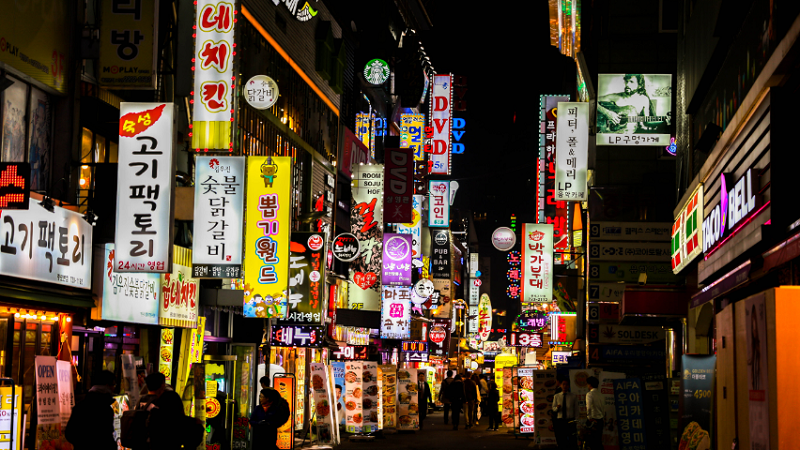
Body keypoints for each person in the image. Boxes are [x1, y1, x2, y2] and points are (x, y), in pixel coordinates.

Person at [597, 74, 668, 134]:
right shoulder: (615, 97)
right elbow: (593, 101)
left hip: (630, 135)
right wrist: (607, 113)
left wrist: (663, 120)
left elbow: (647, 122)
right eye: (626, 81)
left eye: (631, 82)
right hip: (611, 134)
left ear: (639, 85)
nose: (627, 84)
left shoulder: (644, 99)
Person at [65, 370, 117, 450]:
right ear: (107, 386)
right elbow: (107, 439)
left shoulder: (80, 406)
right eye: (113, 385)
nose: (114, 388)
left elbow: (69, 434)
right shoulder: (105, 410)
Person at [145, 373, 190, 450]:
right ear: (162, 384)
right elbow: (181, 419)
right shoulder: (171, 398)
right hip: (168, 443)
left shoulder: (142, 400)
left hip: (145, 443)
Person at [553, 379, 578, 450]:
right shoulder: (556, 396)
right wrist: (557, 408)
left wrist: (576, 420)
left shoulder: (573, 396)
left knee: (572, 440)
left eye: (566, 384)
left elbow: (576, 409)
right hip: (560, 421)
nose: (565, 386)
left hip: (571, 421)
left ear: (569, 386)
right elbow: (553, 409)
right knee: (561, 440)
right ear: (560, 385)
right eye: (563, 384)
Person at [585, 376, 604, 450]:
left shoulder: (589, 394)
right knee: (598, 440)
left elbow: (588, 407)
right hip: (600, 420)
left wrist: (589, 418)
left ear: (590, 384)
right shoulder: (601, 394)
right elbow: (603, 408)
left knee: (592, 441)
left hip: (593, 420)